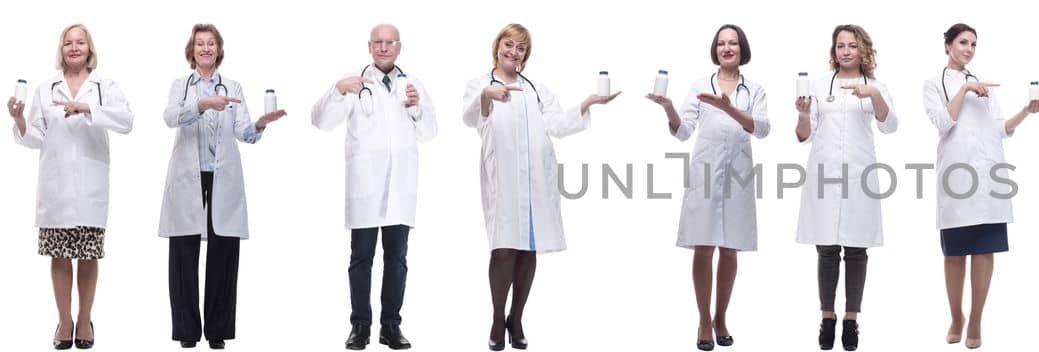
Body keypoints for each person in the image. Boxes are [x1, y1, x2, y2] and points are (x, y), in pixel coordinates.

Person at [462, 23, 620, 351]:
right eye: (509, 44)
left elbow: (557, 124)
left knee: (527, 250)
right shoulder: (480, 84)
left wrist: (587, 103)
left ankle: (516, 318)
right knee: (503, 248)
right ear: (497, 46)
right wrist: (485, 97)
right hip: (503, 180)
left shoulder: (536, 89)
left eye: (520, 48)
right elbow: (470, 118)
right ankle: (496, 318)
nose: (513, 52)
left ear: (525, 56)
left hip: (535, 181)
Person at [158, 23, 288, 350]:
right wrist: (202, 105)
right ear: (192, 50)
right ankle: (187, 332)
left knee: (224, 254)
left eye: (211, 43)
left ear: (218, 49)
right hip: (188, 176)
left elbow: (244, 131)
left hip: (222, 176)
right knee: (183, 255)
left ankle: (217, 332)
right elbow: (170, 117)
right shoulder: (181, 86)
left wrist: (260, 123)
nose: (205, 49)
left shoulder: (233, 87)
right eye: (200, 44)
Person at [6, 23, 134, 351]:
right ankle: (65, 321)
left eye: (80, 42)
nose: (74, 48)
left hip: (91, 185)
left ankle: (86, 318)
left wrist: (86, 107)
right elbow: (34, 136)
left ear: (90, 49)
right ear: (61, 50)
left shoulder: (105, 86)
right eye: (68, 43)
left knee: (88, 256)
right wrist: (20, 120)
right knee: (60, 255)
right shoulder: (46, 87)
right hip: (56, 185)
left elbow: (126, 121)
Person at [311, 23, 439, 351]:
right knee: (361, 258)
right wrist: (338, 90)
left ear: (399, 47)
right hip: (365, 186)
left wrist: (416, 108)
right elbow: (321, 121)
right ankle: (360, 326)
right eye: (377, 43)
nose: (383, 48)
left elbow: (430, 132)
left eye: (389, 43)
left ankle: (391, 326)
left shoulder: (413, 84)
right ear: (369, 46)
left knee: (397, 258)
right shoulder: (355, 82)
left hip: (400, 188)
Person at [645, 24, 770, 351]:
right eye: (721, 44)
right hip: (705, 171)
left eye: (733, 43)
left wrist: (729, 107)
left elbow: (763, 129)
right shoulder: (700, 86)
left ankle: (721, 317)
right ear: (714, 50)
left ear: (743, 48)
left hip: (738, 174)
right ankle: (703, 319)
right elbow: (684, 131)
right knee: (703, 246)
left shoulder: (754, 89)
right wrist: (667, 106)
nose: (727, 48)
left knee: (730, 249)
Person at [921, 23, 1039, 350]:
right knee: (955, 253)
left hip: (989, 175)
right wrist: (964, 90)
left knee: (985, 248)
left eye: (974, 43)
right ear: (947, 45)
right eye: (963, 42)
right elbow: (944, 123)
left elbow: (1000, 129)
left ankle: (975, 319)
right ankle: (956, 316)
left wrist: (1025, 113)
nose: (969, 49)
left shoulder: (986, 85)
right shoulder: (933, 85)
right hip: (956, 175)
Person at [793, 24, 897, 352]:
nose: (846, 51)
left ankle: (851, 320)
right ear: (834, 50)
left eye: (852, 45)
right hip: (824, 173)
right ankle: (827, 318)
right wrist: (802, 114)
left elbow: (890, 126)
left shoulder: (876, 86)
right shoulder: (819, 86)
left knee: (856, 249)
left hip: (859, 176)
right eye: (841, 45)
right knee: (826, 248)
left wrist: (875, 96)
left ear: (864, 50)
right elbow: (803, 136)